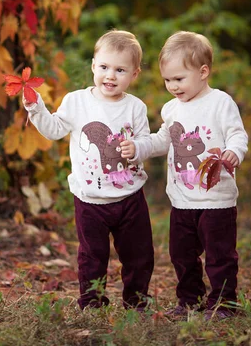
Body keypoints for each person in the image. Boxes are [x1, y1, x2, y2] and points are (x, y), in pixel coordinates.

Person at [23, 30, 154, 311]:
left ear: (134, 74)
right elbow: (54, 130)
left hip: (130, 197)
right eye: (104, 67)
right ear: (93, 65)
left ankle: (137, 303)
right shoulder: (76, 101)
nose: (111, 75)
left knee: (139, 255)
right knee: (92, 256)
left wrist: (138, 148)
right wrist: (37, 109)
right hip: (90, 199)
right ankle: (92, 304)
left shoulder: (135, 107)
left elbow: (145, 140)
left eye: (120, 70)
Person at [147, 31, 248, 320]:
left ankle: (224, 303)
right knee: (181, 254)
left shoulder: (220, 102)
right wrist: (138, 148)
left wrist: (234, 153)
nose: (172, 86)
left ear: (203, 72)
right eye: (167, 80)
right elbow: (162, 140)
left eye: (179, 79)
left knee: (219, 256)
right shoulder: (171, 109)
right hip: (181, 199)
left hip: (216, 200)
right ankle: (189, 300)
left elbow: (237, 135)